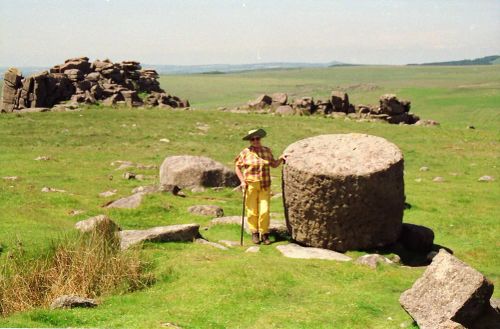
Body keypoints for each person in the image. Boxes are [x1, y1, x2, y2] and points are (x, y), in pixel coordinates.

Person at [234, 128, 286, 245]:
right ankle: (255, 234)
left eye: (257, 138)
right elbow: (237, 166)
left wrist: (282, 158)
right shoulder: (245, 152)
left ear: (260, 139)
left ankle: (265, 234)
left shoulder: (267, 151)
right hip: (250, 185)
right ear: (250, 141)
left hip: (265, 185)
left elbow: (273, 164)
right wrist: (242, 181)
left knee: (265, 210)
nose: (256, 141)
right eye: (253, 139)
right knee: (252, 211)